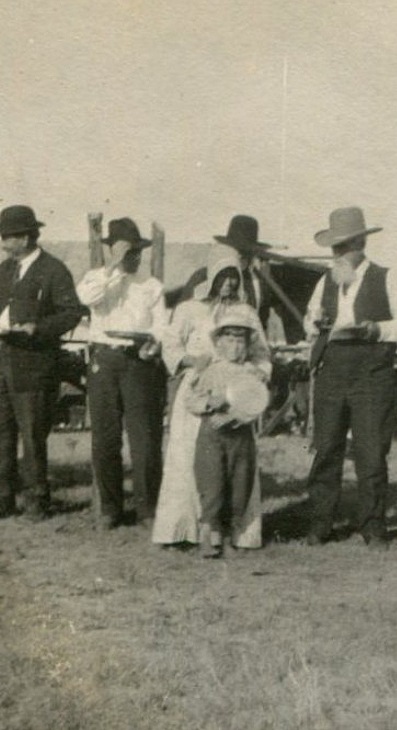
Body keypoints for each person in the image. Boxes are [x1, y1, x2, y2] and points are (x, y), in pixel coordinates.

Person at [303, 206, 397, 547]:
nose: (337, 254)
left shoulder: (386, 277)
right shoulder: (326, 281)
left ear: (361, 244)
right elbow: (309, 322)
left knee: (371, 451)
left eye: (343, 246)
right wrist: (315, 323)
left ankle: (373, 526)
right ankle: (320, 524)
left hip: (372, 371)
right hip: (333, 368)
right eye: (334, 247)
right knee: (326, 449)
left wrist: (377, 329)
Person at [153, 246, 270, 549]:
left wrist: (253, 376)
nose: (229, 283)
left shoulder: (246, 312)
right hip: (199, 387)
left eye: (234, 277)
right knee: (188, 458)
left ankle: (237, 531)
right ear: (211, 276)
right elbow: (170, 345)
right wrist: (193, 361)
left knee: (235, 464)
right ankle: (184, 530)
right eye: (223, 276)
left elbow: (262, 354)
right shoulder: (188, 309)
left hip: (235, 393)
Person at [0, 205, 84, 521]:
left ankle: (37, 498)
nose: (2, 243)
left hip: (35, 364)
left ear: (25, 238)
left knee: (33, 434)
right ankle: (2, 497)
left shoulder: (54, 270)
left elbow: (71, 313)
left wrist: (39, 328)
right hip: (1, 360)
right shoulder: (4, 269)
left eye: (7, 237)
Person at [75, 218, 168, 528]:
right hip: (104, 360)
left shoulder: (151, 285)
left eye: (137, 252)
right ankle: (110, 509)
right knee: (105, 438)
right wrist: (113, 269)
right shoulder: (95, 278)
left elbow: (161, 326)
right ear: (113, 251)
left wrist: (152, 346)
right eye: (128, 252)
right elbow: (87, 299)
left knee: (145, 438)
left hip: (138, 362)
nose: (134, 257)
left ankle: (147, 509)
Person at [184, 306, 271, 557]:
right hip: (212, 435)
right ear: (219, 343)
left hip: (240, 435)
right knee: (212, 483)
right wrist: (211, 403)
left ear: (248, 345)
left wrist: (236, 415)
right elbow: (191, 399)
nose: (234, 346)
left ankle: (230, 535)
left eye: (240, 341)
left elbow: (258, 402)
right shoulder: (210, 370)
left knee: (239, 484)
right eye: (229, 340)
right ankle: (208, 535)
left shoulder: (251, 373)